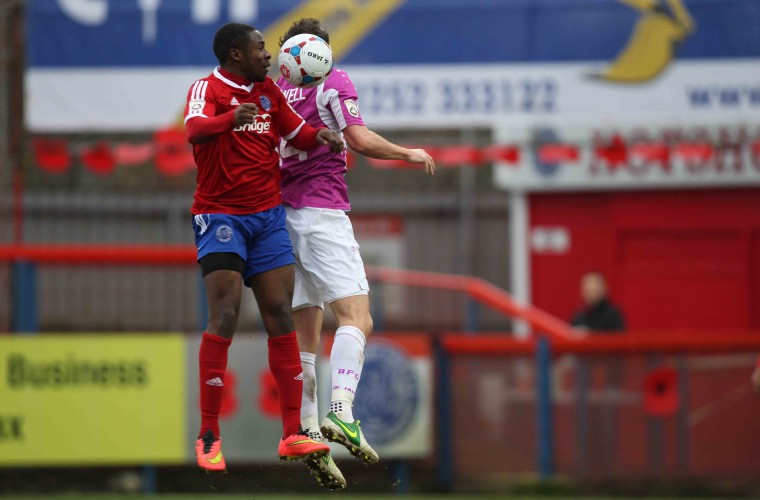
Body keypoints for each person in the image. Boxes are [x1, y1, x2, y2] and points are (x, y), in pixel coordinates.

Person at [275, 18, 436, 490]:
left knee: (307, 325)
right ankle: (342, 409)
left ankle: (307, 429)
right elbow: (359, 140)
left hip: (280, 218)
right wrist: (407, 153)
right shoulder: (332, 80)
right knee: (357, 317)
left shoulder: (279, 92)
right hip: (321, 214)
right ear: (319, 52)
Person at [184, 22, 346, 473]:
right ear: (236, 54)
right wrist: (226, 120)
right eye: (260, 49)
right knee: (227, 315)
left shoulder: (270, 93)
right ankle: (210, 434)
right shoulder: (208, 88)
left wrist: (325, 137)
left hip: (268, 218)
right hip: (220, 216)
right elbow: (195, 131)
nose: (268, 55)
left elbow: (298, 134)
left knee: (279, 315)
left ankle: (293, 433)